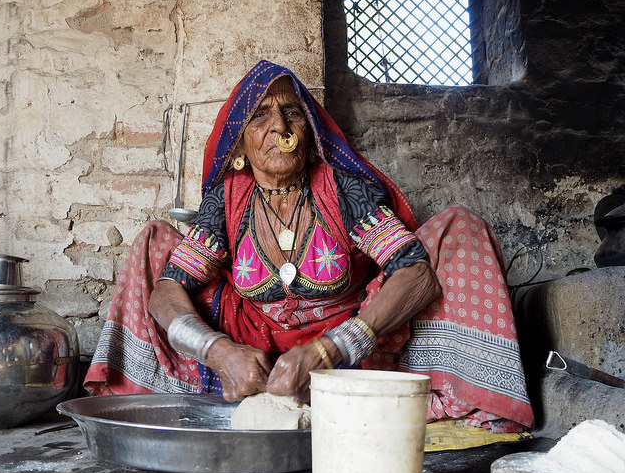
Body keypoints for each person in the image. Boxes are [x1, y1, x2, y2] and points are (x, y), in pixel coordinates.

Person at [85, 60, 534, 432]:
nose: (279, 125)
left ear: (310, 131)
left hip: (353, 353)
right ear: (240, 143)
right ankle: (184, 398)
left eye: (292, 113)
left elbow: (414, 273)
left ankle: (456, 398)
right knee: (154, 244)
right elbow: (167, 291)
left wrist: (329, 351)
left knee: (459, 228)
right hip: (249, 356)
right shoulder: (227, 200)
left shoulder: (342, 189)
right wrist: (218, 352)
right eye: (259, 115)